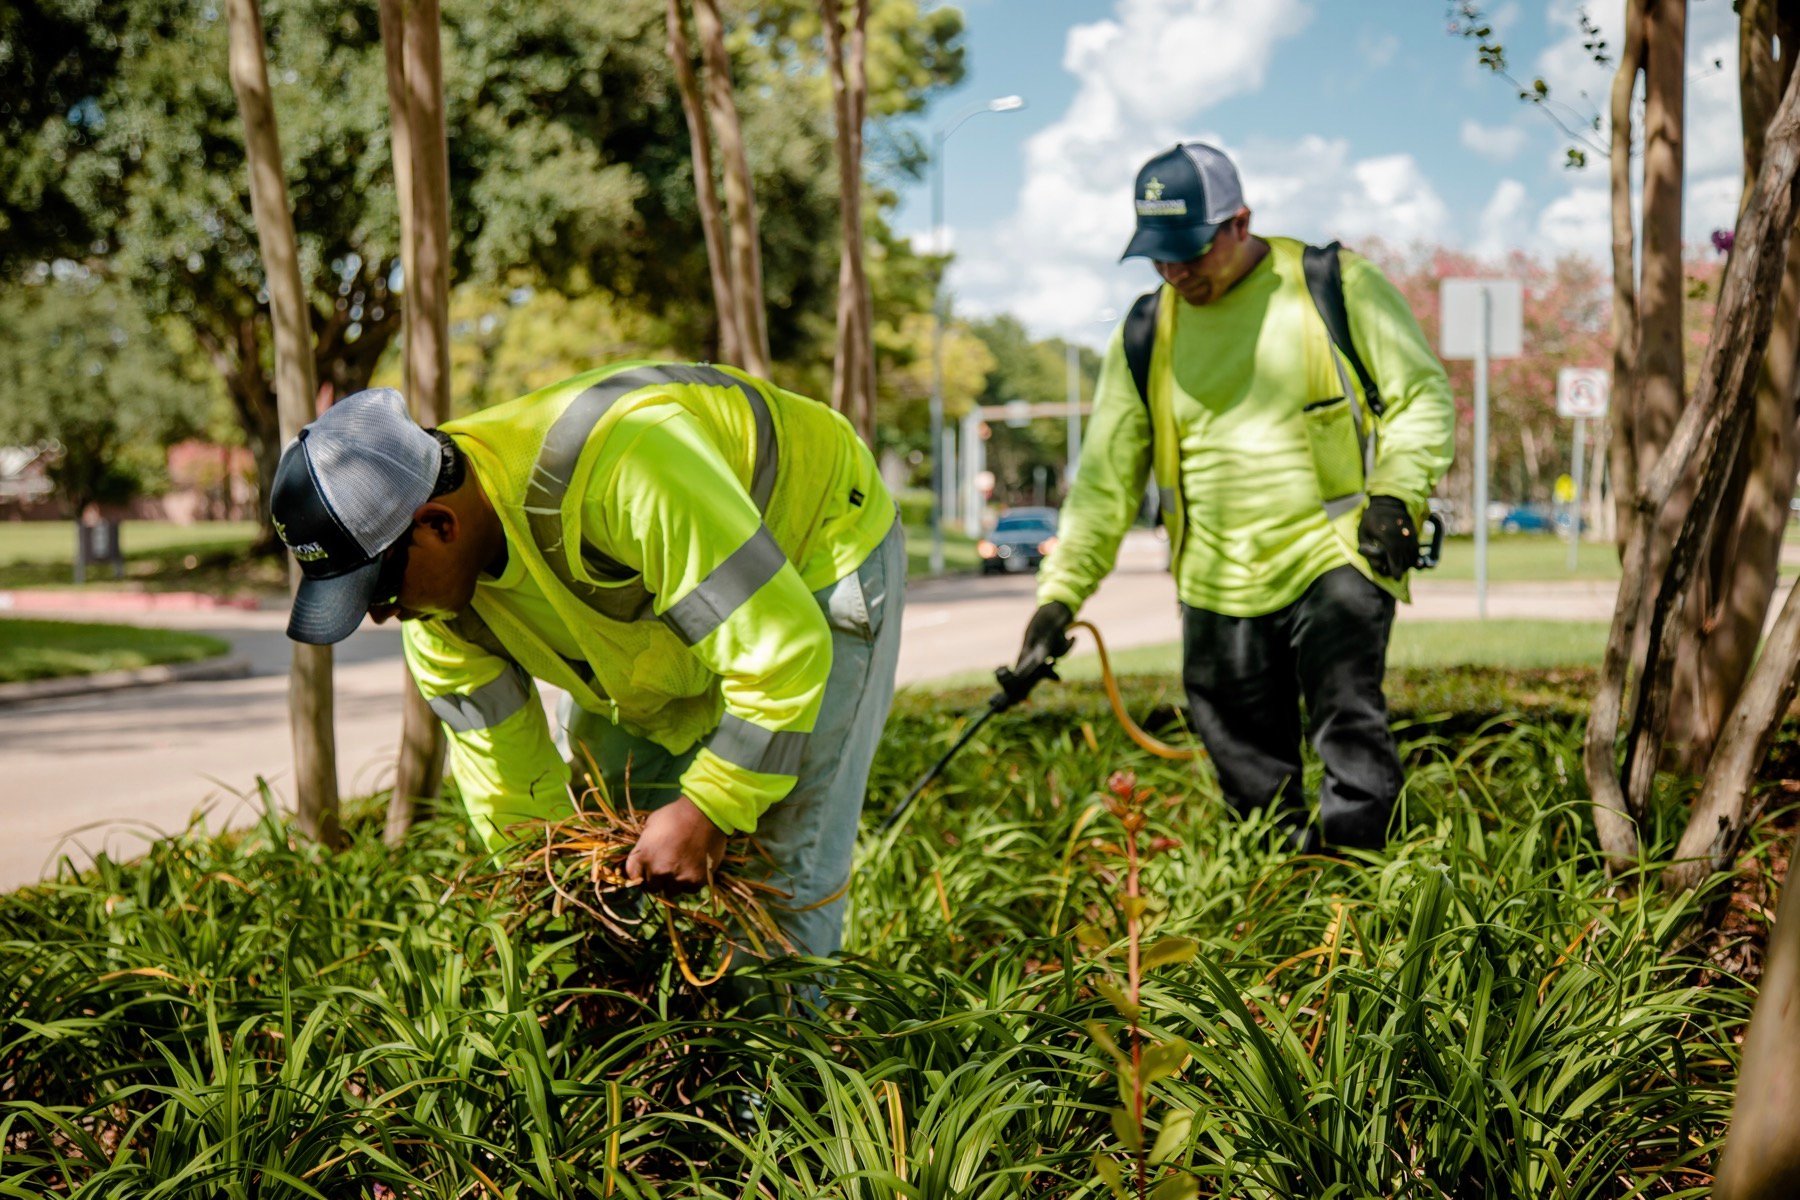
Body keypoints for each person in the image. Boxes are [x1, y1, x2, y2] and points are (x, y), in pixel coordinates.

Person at [269, 362, 904, 959]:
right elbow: (513, 794)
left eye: (377, 589)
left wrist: (712, 807)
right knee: (613, 846)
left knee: (778, 871)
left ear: (438, 524)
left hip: (814, 545)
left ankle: (780, 1068)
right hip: (685, 617)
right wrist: (556, 921)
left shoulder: (622, 468)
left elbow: (781, 653)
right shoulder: (437, 617)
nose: (380, 616)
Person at [1015, 143, 1454, 851]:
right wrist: (1057, 599)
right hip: (1213, 582)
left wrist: (1396, 494)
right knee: (1250, 785)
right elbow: (1104, 479)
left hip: (1333, 560)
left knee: (1352, 745)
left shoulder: (1331, 284)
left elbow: (1421, 395)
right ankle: (1280, 924)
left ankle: (1364, 911)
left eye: (1190, 250)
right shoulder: (1146, 329)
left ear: (1240, 223)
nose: (1175, 271)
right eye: (1159, 255)